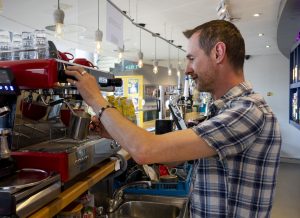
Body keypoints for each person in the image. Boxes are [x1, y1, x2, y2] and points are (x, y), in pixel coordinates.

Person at [65, 20, 281, 218]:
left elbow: (145, 150)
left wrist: (95, 99)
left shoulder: (247, 111)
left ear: (218, 52)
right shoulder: (225, 110)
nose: (187, 69)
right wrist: (115, 132)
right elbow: (173, 158)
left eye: (192, 58)